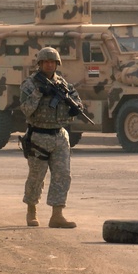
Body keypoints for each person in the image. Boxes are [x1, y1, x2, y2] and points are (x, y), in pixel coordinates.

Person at [18, 47, 83, 229]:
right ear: (39, 64)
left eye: (52, 62)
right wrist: (40, 93)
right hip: (39, 135)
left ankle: (57, 215)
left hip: (60, 135)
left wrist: (75, 107)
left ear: (57, 64)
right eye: (45, 62)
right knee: (36, 176)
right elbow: (25, 109)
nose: (49, 64)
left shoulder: (63, 84)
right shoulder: (30, 85)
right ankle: (32, 210)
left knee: (63, 175)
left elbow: (77, 101)